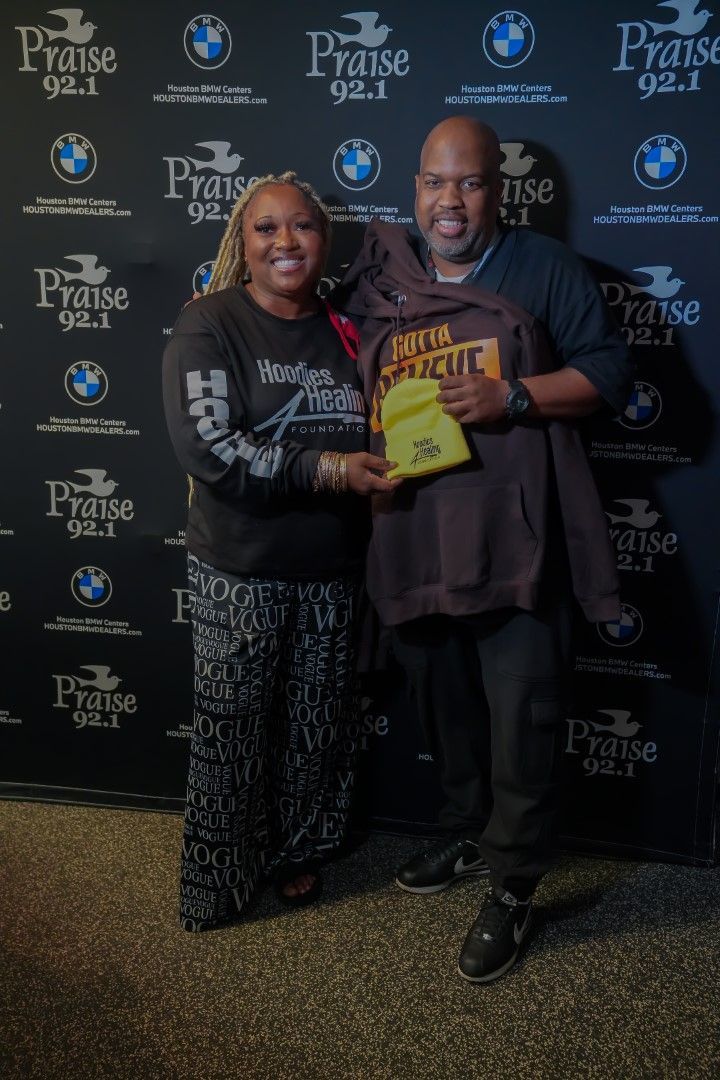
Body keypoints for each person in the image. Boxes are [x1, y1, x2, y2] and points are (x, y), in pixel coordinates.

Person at [333, 117, 634, 982]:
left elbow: (611, 376)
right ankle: (471, 835)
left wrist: (515, 397)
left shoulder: (545, 269)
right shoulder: (383, 277)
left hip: (517, 544)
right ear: (415, 188)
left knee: (522, 726)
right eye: (434, 182)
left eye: (467, 183)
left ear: (498, 192)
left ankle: (513, 884)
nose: (449, 201)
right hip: (416, 537)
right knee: (448, 714)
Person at [162, 172, 399, 931]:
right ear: (243, 240)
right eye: (267, 229)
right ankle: (216, 882)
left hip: (333, 570)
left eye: (302, 227)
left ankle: (299, 852)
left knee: (315, 724)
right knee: (232, 731)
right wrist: (328, 469)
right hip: (241, 570)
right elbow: (210, 447)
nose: (286, 242)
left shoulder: (346, 327)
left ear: (324, 241)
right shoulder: (210, 322)